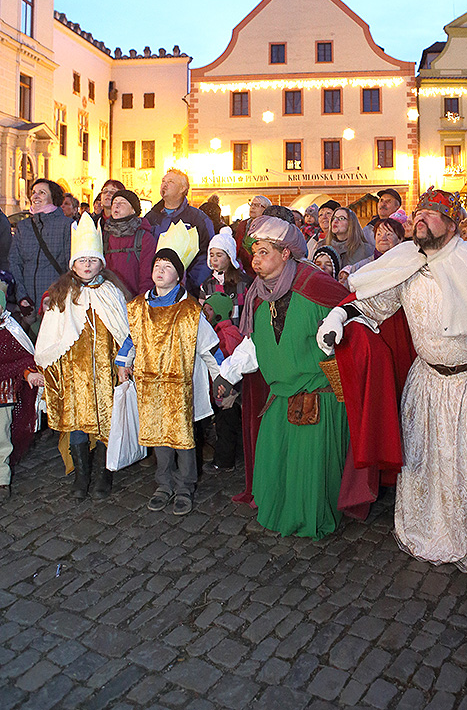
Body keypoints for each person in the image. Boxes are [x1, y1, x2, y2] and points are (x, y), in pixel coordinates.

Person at [317, 187, 467, 572]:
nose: (420, 219)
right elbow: (372, 305)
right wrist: (340, 317)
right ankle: (423, 534)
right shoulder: (405, 261)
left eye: (430, 214)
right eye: (418, 213)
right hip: (427, 385)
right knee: (426, 466)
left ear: (451, 225)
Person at [216, 216, 351, 539]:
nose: (256, 261)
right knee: (277, 467)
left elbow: (351, 326)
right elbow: (254, 343)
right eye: (254, 254)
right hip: (280, 398)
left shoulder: (316, 286)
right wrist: (227, 374)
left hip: (318, 399)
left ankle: (309, 518)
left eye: (263, 252)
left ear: (286, 253)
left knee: (309, 474)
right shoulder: (258, 295)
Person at [117, 224, 221, 515]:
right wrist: (124, 366)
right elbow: (131, 338)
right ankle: (163, 483)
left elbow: (209, 346)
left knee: (183, 437)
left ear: (179, 273)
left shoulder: (190, 310)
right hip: (150, 384)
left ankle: (185, 485)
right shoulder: (138, 307)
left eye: (167, 266)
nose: (160, 270)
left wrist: (221, 377)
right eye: (157, 265)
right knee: (158, 435)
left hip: (181, 384)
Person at [34, 213, 130, 500]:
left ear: (100, 262)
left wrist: (125, 360)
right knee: (78, 423)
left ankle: (104, 475)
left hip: (105, 372)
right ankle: (81, 476)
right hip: (75, 375)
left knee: (105, 423)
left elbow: (125, 330)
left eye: (92, 260)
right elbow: (51, 336)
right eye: (82, 261)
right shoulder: (62, 294)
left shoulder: (112, 292)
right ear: (73, 264)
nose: (87, 266)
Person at [199, 227, 250, 472]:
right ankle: (224, 455)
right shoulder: (206, 285)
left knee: (233, 400)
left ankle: (229, 456)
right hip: (215, 348)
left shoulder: (243, 284)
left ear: (230, 257)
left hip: (238, 348)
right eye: (212, 255)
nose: (214, 260)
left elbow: (248, 315)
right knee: (221, 401)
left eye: (219, 255)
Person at [0, 289, 43, 499]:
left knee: (2, 438)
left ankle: (2, 480)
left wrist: (29, 374)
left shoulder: (10, 331)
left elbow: (24, 358)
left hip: (3, 395)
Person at [144, 169, 214, 297]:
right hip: (155, 289)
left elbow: (207, 254)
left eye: (170, 182)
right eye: (163, 181)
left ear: (183, 188)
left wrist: (191, 283)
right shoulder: (150, 218)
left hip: (187, 290)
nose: (164, 184)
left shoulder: (198, 219)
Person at [9, 179, 72, 313]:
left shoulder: (67, 225)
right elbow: (15, 262)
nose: (35, 196)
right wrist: (22, 296)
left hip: (56, 302)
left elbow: (70, 267)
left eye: (42, 193)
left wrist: (59, 295)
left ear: (53, 198)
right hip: (27, 303)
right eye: (33, 193)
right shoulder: (23, 227)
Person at [103, 189, 156, 298]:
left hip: (134, 300)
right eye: (114, 203)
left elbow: (147, 277)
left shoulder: (144, 238)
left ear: (133, 210)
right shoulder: (105, 235)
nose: (116, 206)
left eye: (122, 203)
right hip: (108, 300)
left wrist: (142, 303)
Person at [233, 194, 272, 275]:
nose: (252, 207)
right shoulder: (243, 224)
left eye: (257, 205)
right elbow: (237, 246)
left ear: (266, 209)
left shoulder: (269, 226)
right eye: (251, 204)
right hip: (243, 269)